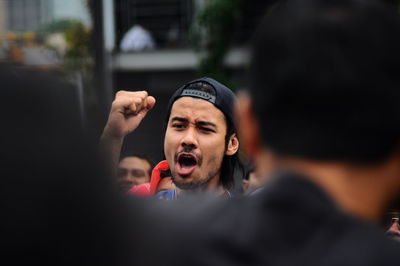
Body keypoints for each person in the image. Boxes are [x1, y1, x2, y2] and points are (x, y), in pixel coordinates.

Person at [101, 77, 241, 199]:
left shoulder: (250, 222)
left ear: (232, 143)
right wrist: (113, 135)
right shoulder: (140, 213)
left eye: (205, 129)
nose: (188, 139)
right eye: (179, 126)